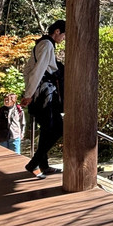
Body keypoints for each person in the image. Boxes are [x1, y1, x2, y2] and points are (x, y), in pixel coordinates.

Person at [22, 20, 65, 179]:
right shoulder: (47, 45)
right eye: (63, 35)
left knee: (47, 129)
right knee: (57, 128)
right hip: (44, 93)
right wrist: (28, 94)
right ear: (57, 31)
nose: (63, 39)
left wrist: (29, 92)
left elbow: (29, 70)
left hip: (40, 92)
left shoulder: (42, 44)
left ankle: (43, 165)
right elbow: (38, 71)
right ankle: (34, 163)